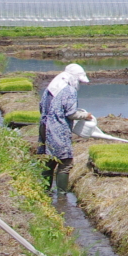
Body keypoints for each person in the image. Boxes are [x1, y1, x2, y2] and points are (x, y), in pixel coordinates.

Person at [38, 63, 90, 192]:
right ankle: (62, 196)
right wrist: (85, 115)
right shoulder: (69, 90)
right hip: (57, 129)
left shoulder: (51, 87)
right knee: (65, 162)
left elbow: (41, 107)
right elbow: (71, 113)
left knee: (49, 161)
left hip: (44, 127)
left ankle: (45, 193)